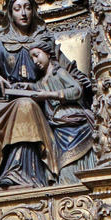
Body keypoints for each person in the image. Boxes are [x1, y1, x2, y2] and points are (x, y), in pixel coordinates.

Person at [0, 0, 92, 192]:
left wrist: (83, 83)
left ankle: (24, 173)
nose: (23, 13)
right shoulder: (2, 44)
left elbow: (64, 68)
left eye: (27, 7)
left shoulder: (43, 40)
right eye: (17, 9)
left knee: (25, 106)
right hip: (8, 97)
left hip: (36, 99)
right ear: (10, 13)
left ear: (33, 10)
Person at [28, 33, 96, 183]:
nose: (35, 61)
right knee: (64, 171)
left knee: (76, 169)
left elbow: (77, 90)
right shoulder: (41, 82)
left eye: (37, 55)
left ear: (47, 53)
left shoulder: (59, 72)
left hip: (76, 126)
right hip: (58, 130)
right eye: (32, 58)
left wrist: (49, 95)